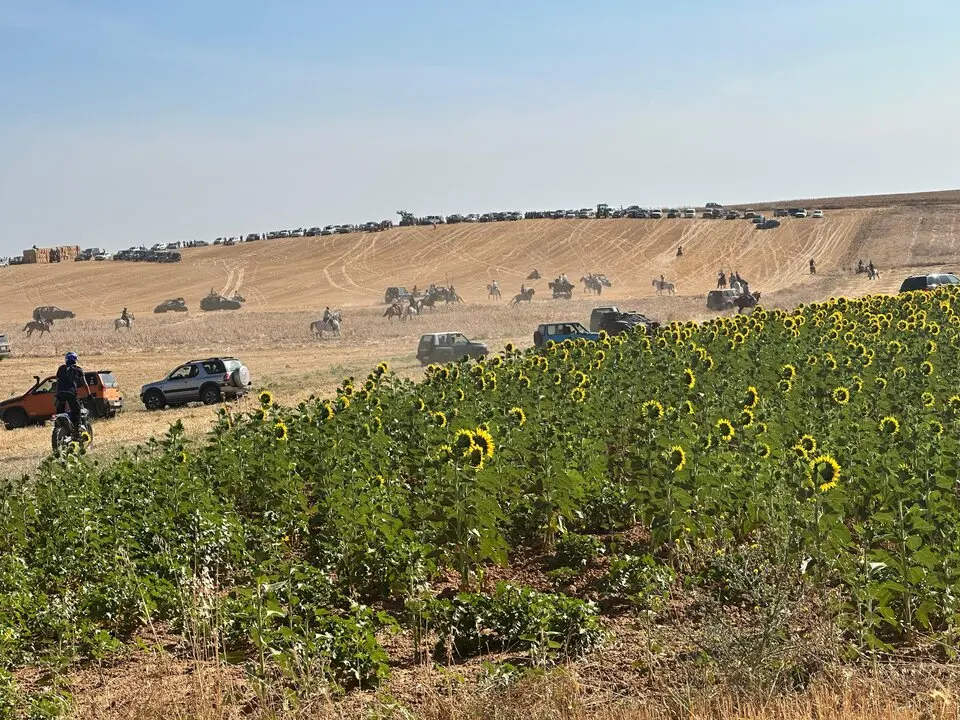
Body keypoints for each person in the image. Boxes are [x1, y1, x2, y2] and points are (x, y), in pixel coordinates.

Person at [55, 351, 89, 431]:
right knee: (76, 411)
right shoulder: (78, 369)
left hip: (60, 393)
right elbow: (85, 384)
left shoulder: (61, 368)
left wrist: (57, 395)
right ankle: (76, 431)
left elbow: (57, 382)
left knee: (59, 413)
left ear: (66, 359)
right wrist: (89, 394)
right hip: (71, 393)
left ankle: (59, 428)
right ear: (75, 359)